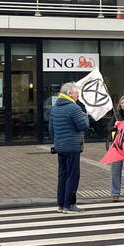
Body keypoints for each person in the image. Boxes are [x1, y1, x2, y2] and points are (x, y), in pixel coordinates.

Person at [49, 82, 89, 213]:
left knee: (63, 175)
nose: (78, 94)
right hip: (72, 146)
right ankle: (69, 205)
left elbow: (51, 129)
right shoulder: (74, 108)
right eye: (76, 92)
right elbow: (83, 126)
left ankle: (61, 204)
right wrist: (86, 116)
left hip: (60, 146)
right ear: (69, 94)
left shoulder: (55, 108)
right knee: (73, 175)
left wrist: (58, 141)